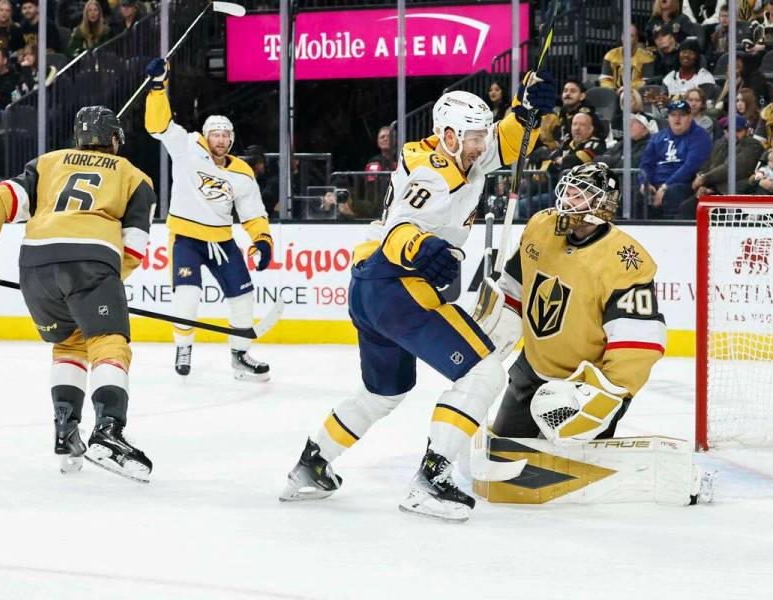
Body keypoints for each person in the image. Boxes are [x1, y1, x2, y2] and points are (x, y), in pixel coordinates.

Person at [279, 71, 557, 522]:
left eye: (481, 135)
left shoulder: (461, 155)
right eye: (473, 137)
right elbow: (399, 228)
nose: (481, 144)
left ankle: (312, 465)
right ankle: (432, 479)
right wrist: (422, 248)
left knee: (383, 392)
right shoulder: (432, 173)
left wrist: (524, 112)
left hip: (370, 289)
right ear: (448, 136)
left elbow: (504, 146)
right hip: (398, 284)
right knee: (483, 371)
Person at [0, 106, 156, 482]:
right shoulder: (134, 176)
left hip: (35, 265)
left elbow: (0, 197)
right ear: (114, 139)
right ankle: (109, 431)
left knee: (69, 344)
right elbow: (133, 248)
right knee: (109, 342)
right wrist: (105, 284)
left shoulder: (47, 163)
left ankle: (66, 433)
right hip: (91, 261)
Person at [484, 162, 665, 446]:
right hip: (531, 369)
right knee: (504, 450)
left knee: (571, 461)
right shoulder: (541, 227)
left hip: (584, 386)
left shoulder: (626, 261)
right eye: (568, 191)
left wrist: (607, 394)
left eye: (580, 195)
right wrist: (493, 323)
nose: (568, 201)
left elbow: (638, 342)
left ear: (603, 204)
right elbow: (514, 289)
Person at [144, 58, 274, 381]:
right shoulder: (186, 146)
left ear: (232, 140)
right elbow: (158, 126)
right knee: (187, 297)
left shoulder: (242, 172)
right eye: (215, 134)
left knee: (243, 297)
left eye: (225, 135)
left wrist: (262, 241)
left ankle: (240, 355)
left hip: (221, 241)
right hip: (186, 238)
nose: (220, 140)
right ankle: (183, 347)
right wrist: (158, 87)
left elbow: (253, 214)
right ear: (206, 136)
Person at [639, 98, 713, 218]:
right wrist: (645, 183)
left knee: (673, 193)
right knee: (633, 193)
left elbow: (690, 166)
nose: (677, 119)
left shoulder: (700, 136)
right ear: (668, 117)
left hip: (683, 184)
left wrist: (665, 186)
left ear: (690, 117)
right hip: (656, 184)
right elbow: (646, 163)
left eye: (682, 115)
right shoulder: (658, 137)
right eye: (673, 115)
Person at [688, 115, 763, 213]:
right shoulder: (720, 143)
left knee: (690, 209)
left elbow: (732, 168)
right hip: (713, 190)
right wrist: (703, 183)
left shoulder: (752, 145)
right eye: (729, 130)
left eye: (738, 130)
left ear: (747, 131)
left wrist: (704, 178)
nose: (733, 134)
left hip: (735, 194)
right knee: (684, 204)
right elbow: (707, 165)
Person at [599, 24, 656, 91]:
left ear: (636, 39)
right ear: (622, 37)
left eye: (631, 36)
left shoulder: (646, 57)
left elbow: (647, 83)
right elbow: (605, 80)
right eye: (625, 35)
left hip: (636, 94)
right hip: (614, 93)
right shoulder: (610, 55)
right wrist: (613, 91)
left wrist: (628, 89)